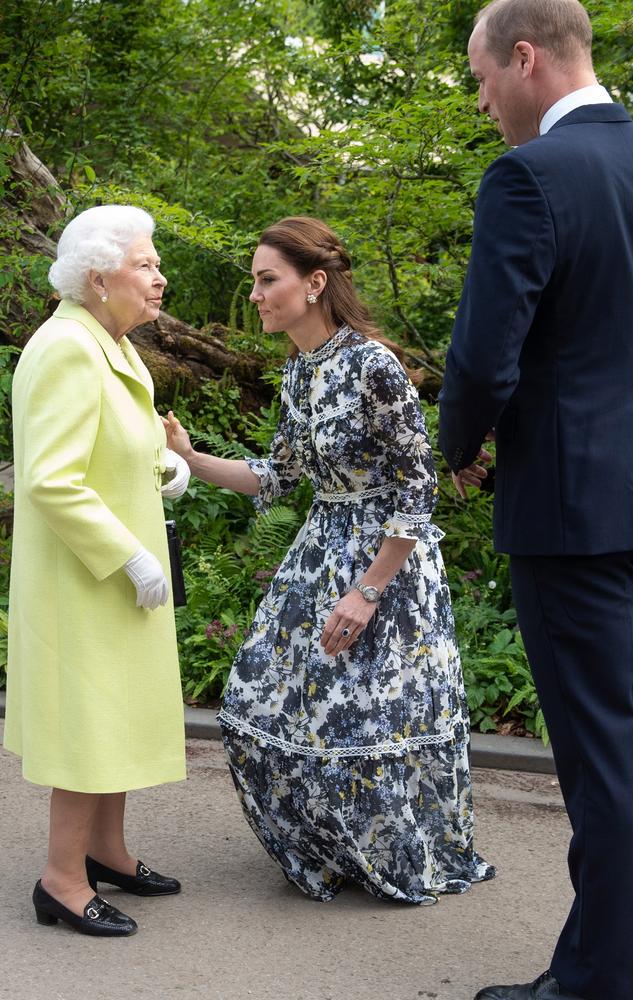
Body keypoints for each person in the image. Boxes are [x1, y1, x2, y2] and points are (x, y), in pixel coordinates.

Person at [165, 214, 494, 905]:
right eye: (254, 281)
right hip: (319, 550)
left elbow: (418, 486)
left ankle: (396, 856)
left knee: (371, 722)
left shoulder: (373, 365)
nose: (255, 294)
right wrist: (191, 459)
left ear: (314, 283)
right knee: (254, 702)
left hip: (386, 565)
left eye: (266, 280)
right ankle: (328, 850)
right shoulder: (297, 374)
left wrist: (368, 591)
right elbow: (276, 476)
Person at [437, 1, 633, 997]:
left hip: (570, 510)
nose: (483, 106)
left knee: (601, 757)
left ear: (523, 59)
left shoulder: (529, 177)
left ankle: (593, 982)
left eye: (482, 82)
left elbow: (483, 355)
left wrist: (461, 448)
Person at [4, 204, 191, 937]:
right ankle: (61, 878)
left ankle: (106, 851)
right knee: (87, 724)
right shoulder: (66, 347)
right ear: (96, 277)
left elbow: (112, 441)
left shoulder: (106, 340)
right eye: (145, 265)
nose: (159, 277)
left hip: (113, 580)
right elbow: (50, 479)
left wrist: (164, 462)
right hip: (86, 580)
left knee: (115, 716)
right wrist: (131, 556)